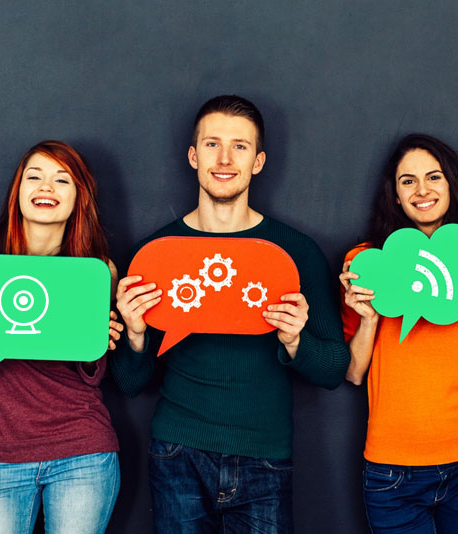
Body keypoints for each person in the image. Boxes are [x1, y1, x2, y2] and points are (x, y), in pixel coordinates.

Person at [111, 95, 350, 533]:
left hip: (266, 456)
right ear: (192, 155)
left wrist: (296, 340)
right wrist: (136, 334)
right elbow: (129, 383)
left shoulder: (295, 251)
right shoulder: (155, 254)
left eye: (239, 146)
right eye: (212, 144)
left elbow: (335, 369)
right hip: (177, 453)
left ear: (258, 161)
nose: (224, 159)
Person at [0, 140, 126, 534]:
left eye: (61, 180)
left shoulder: (96, 269)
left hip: (81, 452)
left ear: (78, 197)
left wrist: (98, 342)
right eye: (34, 176)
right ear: (18, 190)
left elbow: (92, 374)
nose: (45, 187)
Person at [339, 133, 458, 533]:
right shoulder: (367, 264)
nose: (422, 190)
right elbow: (353, 373)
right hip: (392, 472)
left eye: (434, 177)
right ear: (396, 195)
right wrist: (368, 319)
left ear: (451, 185)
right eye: (408, 181)